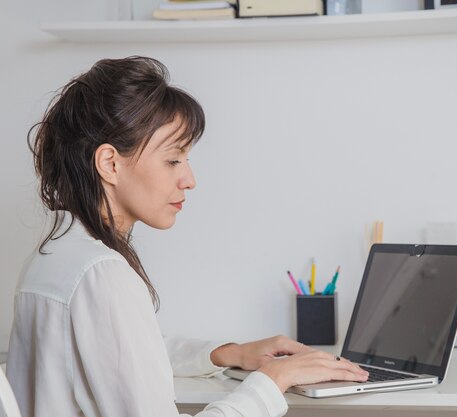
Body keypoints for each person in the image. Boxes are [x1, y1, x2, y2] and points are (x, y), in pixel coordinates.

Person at [6, 56, 368, 417]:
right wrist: (274, 381)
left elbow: (116, 352)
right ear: (110, 164)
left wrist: (224, 353)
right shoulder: (101, 274)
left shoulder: (54, 257)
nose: (189, 180)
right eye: (173, 160)